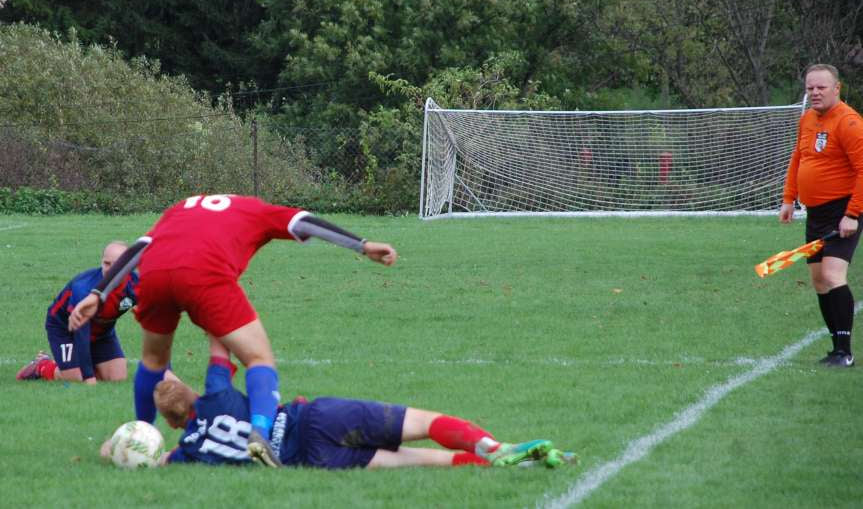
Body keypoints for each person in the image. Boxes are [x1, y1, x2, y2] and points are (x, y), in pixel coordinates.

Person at [70, 194, 397, 466]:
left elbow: (140, 247)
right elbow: (303, 222)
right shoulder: (255, 209)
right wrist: (362, 245)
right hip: (204, 274)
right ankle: (259, 433)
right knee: (259, 358)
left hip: (156, 273)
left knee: (153, 362)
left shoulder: (182, 207)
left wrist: (99, 293)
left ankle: (138, 435)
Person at [99, 341, 574, 469]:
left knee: (425, 460)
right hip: (314, 417)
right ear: (193, 397)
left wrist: (117, 446)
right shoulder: (218, 395)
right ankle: (494, 445)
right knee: (426, 424)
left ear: (172, 422)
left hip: (313, 460)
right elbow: (220, 344)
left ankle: (508, 465)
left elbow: (156, 459)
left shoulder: (189, 453)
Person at [780, 63, 863, 367]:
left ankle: (845, 352)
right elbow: (798, 157)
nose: (814, 92)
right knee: (818, 281)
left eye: (821, 87)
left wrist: (852, 214)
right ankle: (835, 350)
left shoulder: (850, 123)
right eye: (810, 87)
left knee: (832, 275)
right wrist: (789, 198)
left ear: (837, 88)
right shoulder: (807, 120)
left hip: (843, 211)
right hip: (815, 213)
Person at [16, 241, 137, 383]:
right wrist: (88, 377)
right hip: (66, 330)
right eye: (106, 263)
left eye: (116, 265)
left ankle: (82, 364)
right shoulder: (84, 289)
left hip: (102, 332)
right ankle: (42, 366)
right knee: (77, 378)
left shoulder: (135, 284)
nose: (109, 270)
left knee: (117, 378)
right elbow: (81, 334)